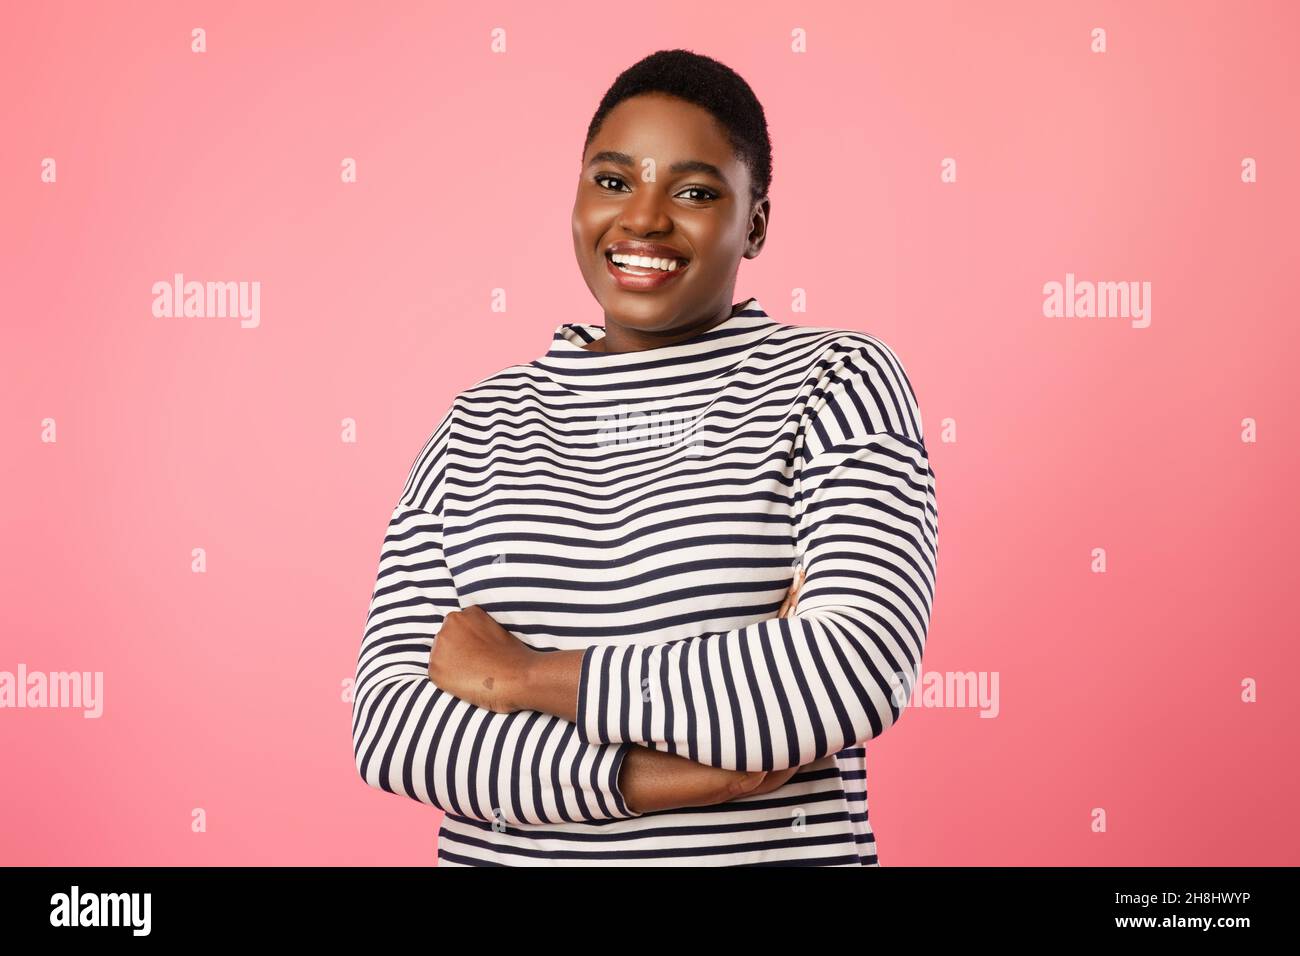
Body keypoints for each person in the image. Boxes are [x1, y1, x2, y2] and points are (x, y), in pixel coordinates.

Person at [351, 48, 939, 866]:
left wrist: (520, 677)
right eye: (614, 181)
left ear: (756, 224)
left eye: (695, 192)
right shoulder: (475, 424)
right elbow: (391, 728)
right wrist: (668, 777)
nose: (644, 220)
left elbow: (848, 670)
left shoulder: (835, 382)